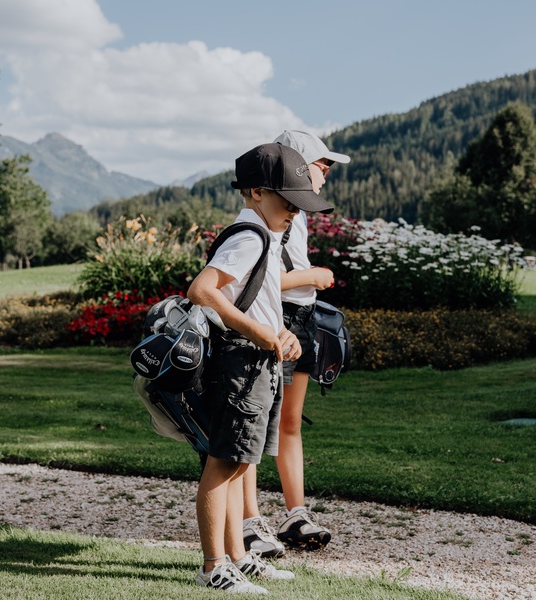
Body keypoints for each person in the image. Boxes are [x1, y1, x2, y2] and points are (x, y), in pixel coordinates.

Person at [187, 142, 335, 593]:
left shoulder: (262, 234)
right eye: (287, 201)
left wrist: (278, 332)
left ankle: (238, 556)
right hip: (241, 363)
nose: (293, 211)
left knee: (235, 465)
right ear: (255, 192)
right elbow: (203, 290)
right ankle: (215, 567)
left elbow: (255, 298)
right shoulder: (250, 236)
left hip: (256, 361)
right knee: (223, 463)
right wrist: (256, 333)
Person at [242, 131, 350, 557]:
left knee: (289, 422)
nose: (327, 173)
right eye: (323, 165)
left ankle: (294, 514)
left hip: (301, 322)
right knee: (254, 424)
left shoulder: (299, 213)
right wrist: (313, 276)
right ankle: (248, 521)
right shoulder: (269, 212)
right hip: (276, 322)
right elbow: (261, 280)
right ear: (299, 166)